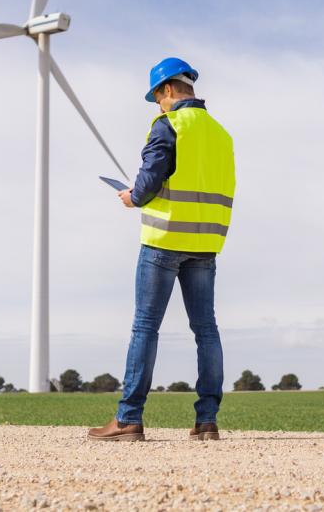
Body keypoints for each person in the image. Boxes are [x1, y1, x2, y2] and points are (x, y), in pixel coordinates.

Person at [88, 58, 236, 442]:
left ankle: (128, 419)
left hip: (164, 240)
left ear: (167, 90)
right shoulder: (222, 134)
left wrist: (132, 197)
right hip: (205, 244)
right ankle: (207, 421)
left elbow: (150, 179)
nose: (158, 105)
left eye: (157, 97)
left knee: (145, 327)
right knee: (206, 330)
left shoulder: (168, 125)